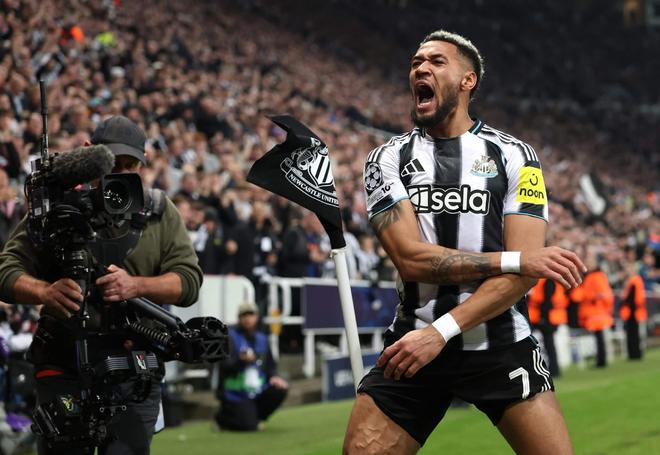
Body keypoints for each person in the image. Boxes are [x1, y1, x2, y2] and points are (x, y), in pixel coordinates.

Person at [343, 30, 586, 455]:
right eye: (416, 62)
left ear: (467, 81)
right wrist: (514, 260)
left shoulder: (515, 156)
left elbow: (523, 276)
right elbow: (411, 260)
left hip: (499, 344)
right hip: (412, 346)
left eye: (436, 61)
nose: (421, 68)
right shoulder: (387, 159)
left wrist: (441, 331)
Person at [0, 116, 203, 455]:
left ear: (142, 165)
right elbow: (6, 270)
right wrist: (45, 292)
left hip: (133, 366)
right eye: (113, 162)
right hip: (63, 362)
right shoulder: (56, 207)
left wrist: (136, 285)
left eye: (130, 165)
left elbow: (188, 280)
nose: (120, 173)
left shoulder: (158, 210)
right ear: (89, 155)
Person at [215, 302, 288, 431]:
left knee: (280, 389)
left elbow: (271, 365)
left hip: (257, 390)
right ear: (239, 318)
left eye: (251, 315)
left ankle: (255, 417)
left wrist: (275, 376)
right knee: (248, 427)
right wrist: (241, 361)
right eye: (244, 315)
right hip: (236, 393)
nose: (248, 319)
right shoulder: (229, 338)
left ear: (257, 317)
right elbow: (225, 366)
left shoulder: (262, 339)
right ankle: (223, 417)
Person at [572, 251, 614, 368]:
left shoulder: (595, 276)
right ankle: (601, 361)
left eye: (589, 262)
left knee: (600, 338)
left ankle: (601, 361)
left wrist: (588, 297)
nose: (587, 265)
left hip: (597, 312)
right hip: (596, 312)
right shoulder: (593, 276)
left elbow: (601, 294)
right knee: (599, 338)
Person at [528, 278, 569, 377]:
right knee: (548, 345)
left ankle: (554, 370)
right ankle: (553, 370)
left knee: (549, 345)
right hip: (545, 317)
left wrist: (543, 317)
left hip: (546, 318)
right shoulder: (545, 280)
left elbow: (547, 300)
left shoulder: (547, 280)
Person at [619, 262, 646, 360]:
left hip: (634, 311)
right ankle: (633, 354)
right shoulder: (630, 281)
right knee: (631, 334)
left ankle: (635, 354)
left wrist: (627, 305)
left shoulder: (635, 281)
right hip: (630, 311)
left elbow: (635, 298)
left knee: (635, 334)